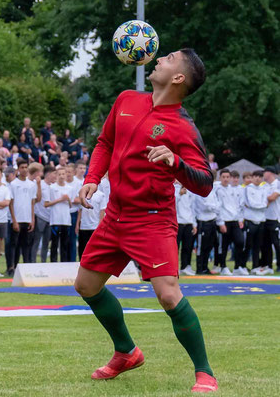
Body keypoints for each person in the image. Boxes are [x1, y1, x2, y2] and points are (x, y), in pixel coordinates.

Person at [75, 49, 217, 392]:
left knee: (168, 295)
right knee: (86, 286)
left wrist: (176, 164)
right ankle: (126, 351)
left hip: (152, 220)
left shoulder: (182, 127)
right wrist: (92, 177)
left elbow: (205, 184)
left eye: (168, 58)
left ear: (179, 78)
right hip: (115, 216)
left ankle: (204, 372)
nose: (158, 59)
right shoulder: (126, 99)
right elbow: (105, 142)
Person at [215, 169, 245, 276]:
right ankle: (223, 267)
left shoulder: (233, 190)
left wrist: (240, 219)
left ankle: (237, 267)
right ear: (220, 178)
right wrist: (221, 222)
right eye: (224, 177)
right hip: (224, 222)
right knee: (224, 245)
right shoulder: (218, 190)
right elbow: (217, 208)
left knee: (240, 242)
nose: (226, 179)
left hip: (234, 221)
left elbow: (238, 206)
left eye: (228, 177)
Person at [9, 160, 37, 270]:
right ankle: (13, 267)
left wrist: (32, 219)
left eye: (26, 167)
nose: (24, 169)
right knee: (15, 245)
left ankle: (26, 268)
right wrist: (14, 220)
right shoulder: (13, 184)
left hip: (27, 219)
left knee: (26, 244)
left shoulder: (32, 184)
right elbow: (11, 203)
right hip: (17, 219)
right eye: (22, 167)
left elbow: (32, 202)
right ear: (18, 170)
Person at [44, 167, 73, 262]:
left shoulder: (69, 188)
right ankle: (53, 263)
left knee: (64, 245)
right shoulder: (52, 188)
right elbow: (46, 204)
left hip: (66, 220)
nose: (61, 176)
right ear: (56, 176)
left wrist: (68, 199)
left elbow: (71, 205)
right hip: (55, 220)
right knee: (54, 244)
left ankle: (64, 264)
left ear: (66, 175)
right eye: (59, 174)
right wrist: (60, 199)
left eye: (63, 174)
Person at [242, 170, 267, 274]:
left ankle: (255, 267)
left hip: (261, 220)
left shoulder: (263, 189)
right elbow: (250, 203)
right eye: (256, 176)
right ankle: (242, 266)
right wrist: (260, 206)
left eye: (260, 177)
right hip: (250, 220)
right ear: (252, 177)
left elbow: (265, 203)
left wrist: (259, 206)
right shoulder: (248, 188)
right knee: (248, 245)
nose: (258, 178)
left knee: (257, 245)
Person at [31, 166, 56, 263]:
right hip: (40, 216)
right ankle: (33, 263)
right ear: (48, 174)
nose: (56, 176)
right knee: (36, 241)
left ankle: (43, 263)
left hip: (49, 218)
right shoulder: (38, 184)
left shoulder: (53, 186)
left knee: (46, 243)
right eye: (54, 174)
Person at [259, 166, 280, 275]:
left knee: (276, 243)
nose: (263, 175)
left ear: (270, 173)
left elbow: (272, 198)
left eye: (265, 172)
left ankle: (279, 266)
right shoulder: (264, 186)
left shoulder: (277, 183)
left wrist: (262, 200)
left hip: (275, 218)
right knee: (265, 244)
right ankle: (268, 265)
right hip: (264, 218)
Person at [75, 189, 106, 259]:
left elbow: (102, 211)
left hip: (94, 227)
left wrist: (100, 226)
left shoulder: (101, 195)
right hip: (83, 226)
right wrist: (77, 224)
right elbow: (80, 210)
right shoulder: (82, 193)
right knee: (82, 249)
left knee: (94, 249)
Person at [175, 183, 197, 276]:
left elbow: (192, 208)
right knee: (175, 247)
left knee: (187, 247)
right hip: (178, 222)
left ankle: (185, 266)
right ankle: (174, 268)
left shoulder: (189, 189)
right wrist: (179, 194)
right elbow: (172, 204)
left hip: (188, 222)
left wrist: (194, 223)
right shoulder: (174, 188)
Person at [66, 164, 82, 261]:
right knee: (64, 240)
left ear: (74, 173)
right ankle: (64, 261)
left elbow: (79, 200)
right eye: (66, 172)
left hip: (73, 213)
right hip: (62, 213)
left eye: (70, 172)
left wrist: (67, 199)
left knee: (72, 239)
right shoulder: (62, 182)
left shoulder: (77, 184)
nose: (68, 174)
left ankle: (72, 261)